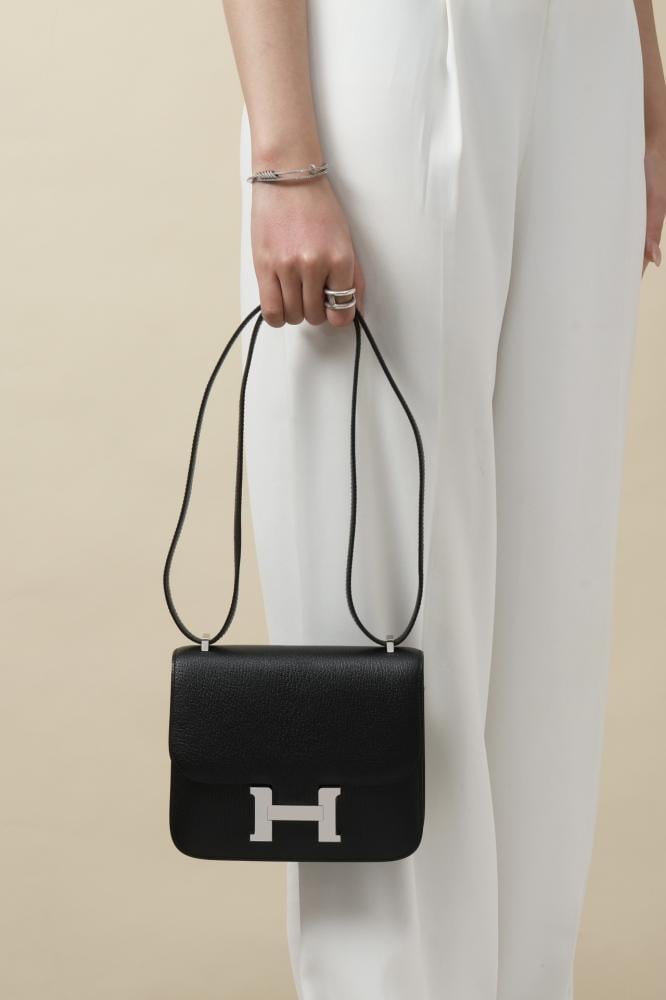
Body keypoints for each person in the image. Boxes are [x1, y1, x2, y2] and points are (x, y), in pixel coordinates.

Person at [222, 1, 666, 998]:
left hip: (585, 51)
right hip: (386, 43)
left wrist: (641, 61)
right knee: (380, 658)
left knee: (550, 642)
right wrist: (285, 153)